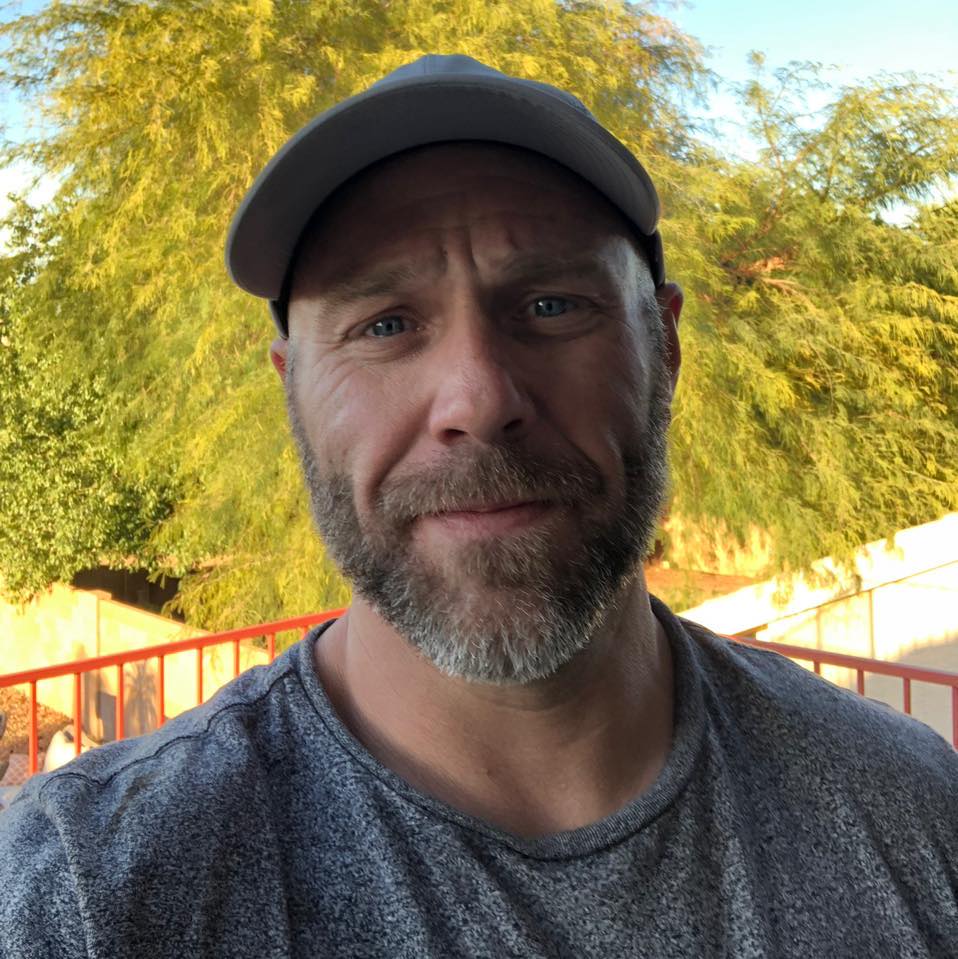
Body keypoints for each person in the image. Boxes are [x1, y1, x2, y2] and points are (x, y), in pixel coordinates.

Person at [1, 54, 956, 959]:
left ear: (662, 348)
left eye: (551, 305)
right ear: (292, 390)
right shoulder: (84, 897)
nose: (478, 398)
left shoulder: (916, 810)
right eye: (384, 325)